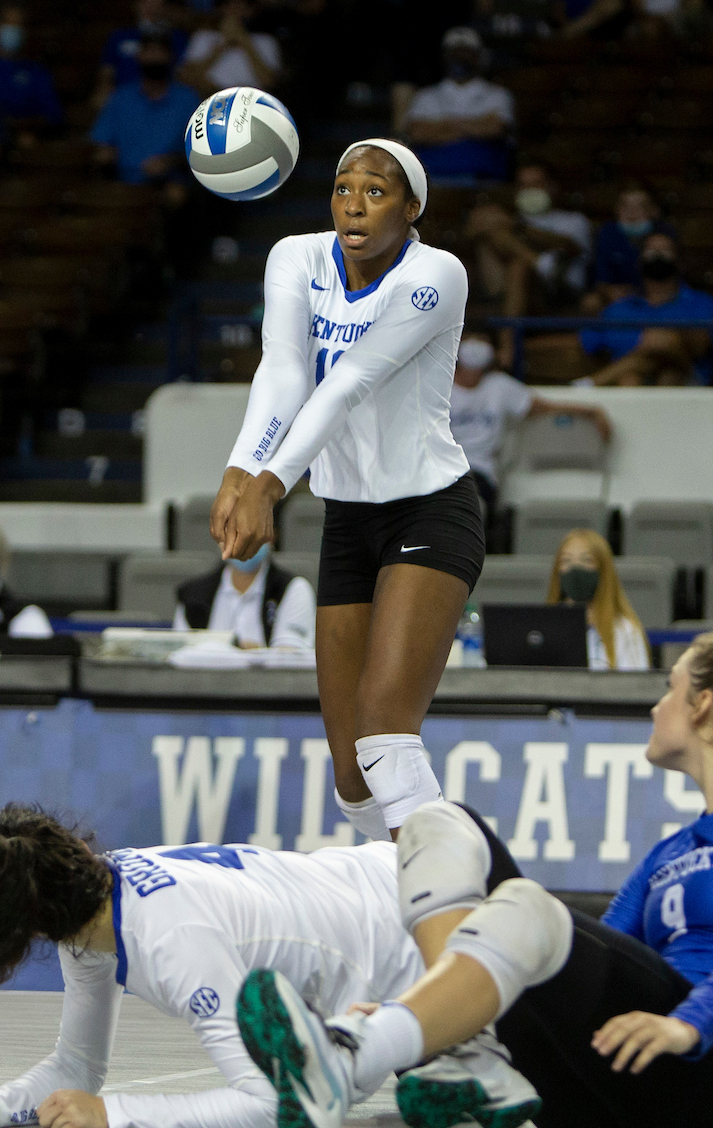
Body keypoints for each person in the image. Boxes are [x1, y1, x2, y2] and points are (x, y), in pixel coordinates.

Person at [237, 619, 713, 1128]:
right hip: (607, 1104)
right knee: (439, 822)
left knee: (529, 909)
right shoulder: (666, 855)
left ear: (702, 705)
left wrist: (688, 1023)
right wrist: (419, 1005)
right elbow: (583, 965)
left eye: (669, 687)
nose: (656, 706)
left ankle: (351, 1055)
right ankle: (463, 1044)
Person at [210, 137, 484, 850]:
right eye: (342, 188)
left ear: (412, 206)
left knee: (388, 736)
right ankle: (392, 901)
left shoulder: (436, 276)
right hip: (347, 520)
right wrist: (239, 468)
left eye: (376, 190)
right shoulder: (296, 258)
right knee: (351, 774)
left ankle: (457, 899)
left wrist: (269, 483)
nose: (354, 204)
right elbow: (284, 370)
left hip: (431, 510)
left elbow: (350, 380)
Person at [0, 808, 423, 1128]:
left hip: (421, 946)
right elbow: (77, 1066)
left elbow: (277, 1104)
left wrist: (116, 1113)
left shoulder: (173, 941)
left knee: (416, 1087)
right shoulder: (93, 898)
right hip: (396, 875)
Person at [450, 334, 611, 529]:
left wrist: (591, 411)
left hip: (482, 473)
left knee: (469, 496)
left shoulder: (500, 386)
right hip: (447, 469)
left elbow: (543, 407)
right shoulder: (442, 386)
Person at [467, 161, 593, 366]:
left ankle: (507, 351)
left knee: (518, 267)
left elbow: (569, 246)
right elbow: (473, 229)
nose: (529, 191)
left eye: (536, 184)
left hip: (561, 291)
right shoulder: (507, 220)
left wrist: (518, 227)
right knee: (492, 231)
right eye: (524, 185)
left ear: (551, 187)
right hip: (509, 289)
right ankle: (541, 263)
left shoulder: (573, 220)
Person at [575, 231, 713, 387]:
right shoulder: (619, 308)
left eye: (665, 250)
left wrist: (669, 340)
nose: (657, 255)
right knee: (630, 378)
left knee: (663, 349)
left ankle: (588, 385)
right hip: (631, 383)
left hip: (687, 383)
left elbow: (702, 346)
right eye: (651, 250)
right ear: (639, 261)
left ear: (680, 262)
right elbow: (584, 343)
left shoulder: (701, 302)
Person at [403, 27, 514, 181]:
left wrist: (442, 125)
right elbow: (417, 133)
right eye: (454, 53)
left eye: (466, 53)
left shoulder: (497, 94)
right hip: (432, 179)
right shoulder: (426, 96)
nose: (460, 58)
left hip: (483, 178)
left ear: (479, 56)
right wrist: (476, 125)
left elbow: (495, 129)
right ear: (444, 56)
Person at [90, 33, 199, 188]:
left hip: (168, 180)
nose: (154, 57)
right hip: (121, 179)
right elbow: (103, 141)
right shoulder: (121, 97)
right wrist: (105, 154)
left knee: (177, 193)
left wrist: (170, 161)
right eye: (149, 51)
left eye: (160, 51)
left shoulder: (187, 99)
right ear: (139, 56)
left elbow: (199, 151)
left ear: (171, 57)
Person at [172, 542, 315, 651]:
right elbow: (179, 653)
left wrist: (240, 650)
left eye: (251, 532)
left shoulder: (293, 589)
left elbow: (290, 658)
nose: (243, 540)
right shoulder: (193, 594)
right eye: (234, 531)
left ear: (270, 535)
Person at [548, 528, 650, 670]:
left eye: (586, 560)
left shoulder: (625, 631)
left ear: (603, 570)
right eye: (566, 560)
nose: (575, 568)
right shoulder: (546, 628)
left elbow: (636, 687)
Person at [587, 183, 677, 313]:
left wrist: (637, 292)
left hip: (655, 293)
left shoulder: (665, 233)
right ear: (616, 209)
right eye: (625, 206)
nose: (631, 212)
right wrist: (610, 291)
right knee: (591, 302)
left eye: (639, 206)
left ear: (654, 210)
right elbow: (600, 277)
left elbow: (672, 276)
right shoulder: (607, 233)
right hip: (616, 296)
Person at [93, 0, 189, 111]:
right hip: (124, 100)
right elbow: (106, 74)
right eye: (145, 1)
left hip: (165, 101)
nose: (151, 6)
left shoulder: (177, 38)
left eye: (157, 2)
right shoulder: (119, 36)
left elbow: (183, 73)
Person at [178, 0, 281, 96]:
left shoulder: (266, 41)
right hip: (210, 98)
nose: (234, 10)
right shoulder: (202, 37)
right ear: (220, 9)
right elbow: (188, 78)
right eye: (229, 5)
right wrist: (223, 44)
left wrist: (245, 41)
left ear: (250, 10)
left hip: (250, 100)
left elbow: (269, 82)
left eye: (239, 5)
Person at [0, 4, 63, 145]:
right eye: (8, 23)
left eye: (18, 25)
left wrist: (23, 127)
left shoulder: (36, 71)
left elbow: (54, 114)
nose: (13, 30)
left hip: (24, 142)